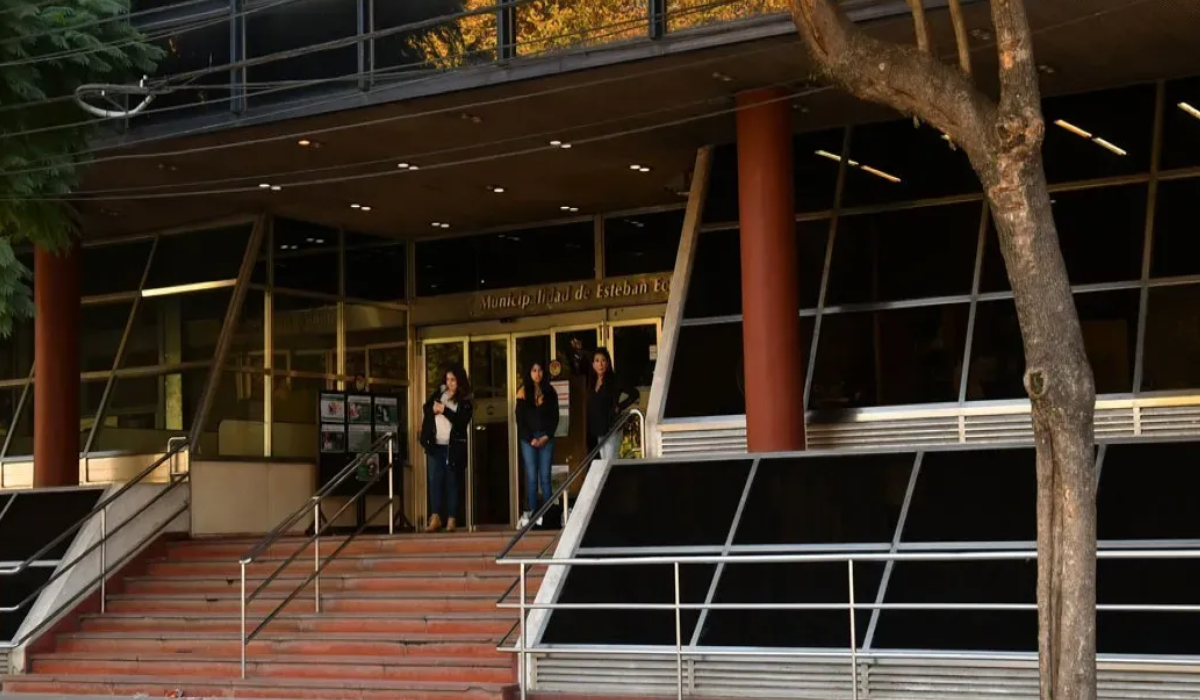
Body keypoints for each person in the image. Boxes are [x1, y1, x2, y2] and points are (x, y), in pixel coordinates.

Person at [419, 365, 473, 533]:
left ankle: (452, 518)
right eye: (448, 379)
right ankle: (435, 517)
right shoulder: (440, 393)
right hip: (436, 445)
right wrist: (433, 409)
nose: (450, 383)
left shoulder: (465, 400)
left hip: (453, 447)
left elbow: (461, 421)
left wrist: (445, 410)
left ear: (460, 381)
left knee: (452, 482)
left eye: (453, 380)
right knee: (435, 481)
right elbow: (426, 407)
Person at [571, 339, 640, 462]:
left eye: (603, 360)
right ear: (593, 364)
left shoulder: (614, 380)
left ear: (608, 363)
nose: (600, 364)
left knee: (610, 462)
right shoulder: (591, 382)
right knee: (603, 462)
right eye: (597, 361)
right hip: (598, 429)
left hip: (611, 428)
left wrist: (620, 406)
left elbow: (634, 394)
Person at [515, 361, 560, 529]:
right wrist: (530, 439)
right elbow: (520, 419)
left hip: (546, 438)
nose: (537, 374)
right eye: (534, 370)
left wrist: (546, 436)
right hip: (528, 440)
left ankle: (548, 517)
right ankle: (533, 517)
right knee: (532, 478)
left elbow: (555, 417)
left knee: (545, 477)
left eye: (540, 370)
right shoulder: (522, 392)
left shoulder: (550, 392)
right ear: (529, 372)